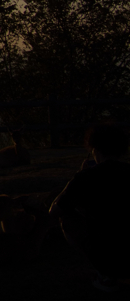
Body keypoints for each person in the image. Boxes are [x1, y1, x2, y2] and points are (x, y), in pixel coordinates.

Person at [50, 124, 130, 293]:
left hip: (110, 258)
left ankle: (106, 275)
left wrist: (75, 179)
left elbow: (54, 211)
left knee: (67, 219)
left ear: (95, 149)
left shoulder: (86, 178)